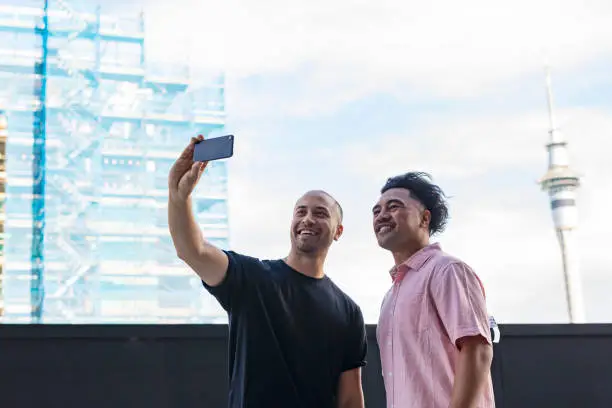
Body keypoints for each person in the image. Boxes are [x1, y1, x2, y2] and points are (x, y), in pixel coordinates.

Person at [167, 135, 367, 408]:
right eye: (301, 212)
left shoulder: (348, 311)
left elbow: (350, 400)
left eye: (320, 213)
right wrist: (179, 196)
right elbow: (193, 250)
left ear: (338, 231)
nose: (308, 219)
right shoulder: (251, 278)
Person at [372, 172, 495, 408]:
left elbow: (477, 350)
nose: (382, 216)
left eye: (393, 207)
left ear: (424, 219)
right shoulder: (391, 296)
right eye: (376, 211)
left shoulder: (447, 271)